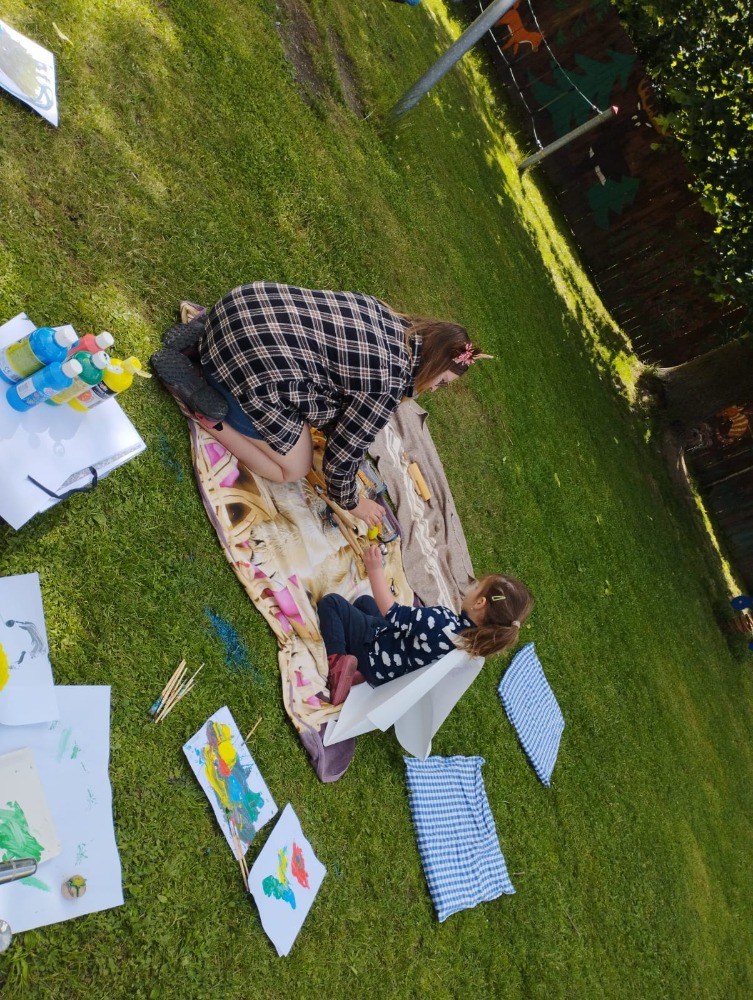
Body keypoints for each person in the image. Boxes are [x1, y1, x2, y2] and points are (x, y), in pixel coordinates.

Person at [151, 282, 490, 526]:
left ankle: (200, 334)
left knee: (293, 384)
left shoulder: (382, 311)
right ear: (432, 365)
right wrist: (353, 504)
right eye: (441, 382)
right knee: (294, 468)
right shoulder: (388, 384)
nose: (434, 389)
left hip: (235, 306)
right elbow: (339, 460)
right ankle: (205, 406)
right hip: (246, 365)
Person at [318, 544, 534, 704]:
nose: (471, 589)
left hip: (375, 655)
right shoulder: (471, 648)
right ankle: (357, 672)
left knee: (332, 604)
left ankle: (338, 667)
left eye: (476, 587)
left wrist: (375, 570)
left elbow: (392, 613)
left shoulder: (440, 621)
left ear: (480, 603)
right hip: (392, 675)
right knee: (365, 602)